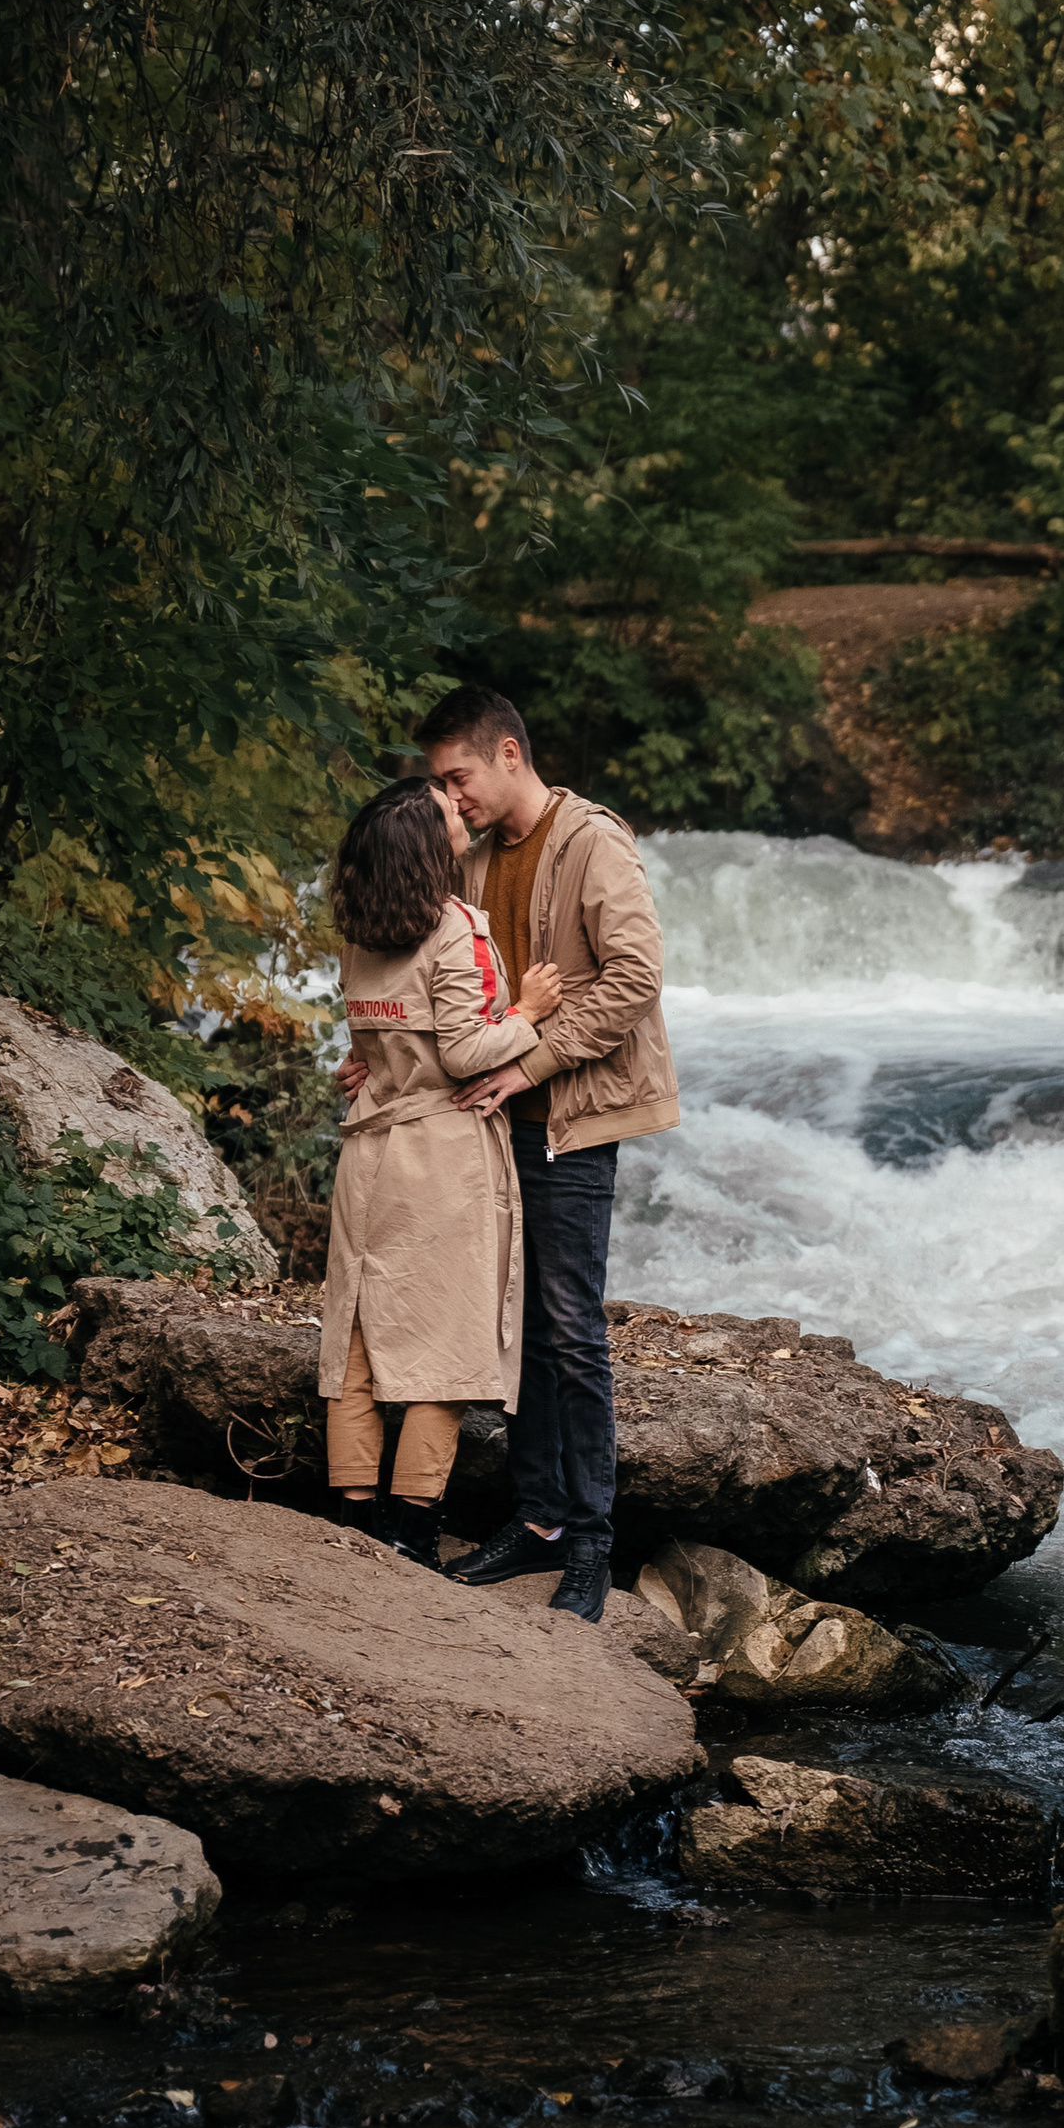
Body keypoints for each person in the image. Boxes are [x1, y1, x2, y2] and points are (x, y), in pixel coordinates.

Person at [402, 681, 677, 1623]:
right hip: (489, 1127)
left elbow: (637, 976)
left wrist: (536, 1062)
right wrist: (386, 1062)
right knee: (515, 1331)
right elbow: (444, 988)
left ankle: (594, 1545)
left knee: (569, 1331)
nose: (452, 796)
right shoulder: (475, 861)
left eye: (460, 776)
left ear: (508, 754)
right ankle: (539, 1520)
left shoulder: (592, 841)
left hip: (569, 1122)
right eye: (440, 783)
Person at [321, 776, 566, 1571]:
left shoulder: (362, 930)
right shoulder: (457, 928)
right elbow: (465, 1052)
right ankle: (411, 1527)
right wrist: (528, 1011)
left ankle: (349, 1513)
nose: (459, 810)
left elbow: (366, 1049)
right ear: (427, 850)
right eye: (444, 809)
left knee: (357, 1334)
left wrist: (370, 1064)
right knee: (444, 1342)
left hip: (368, 1155)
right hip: (440, 1157)